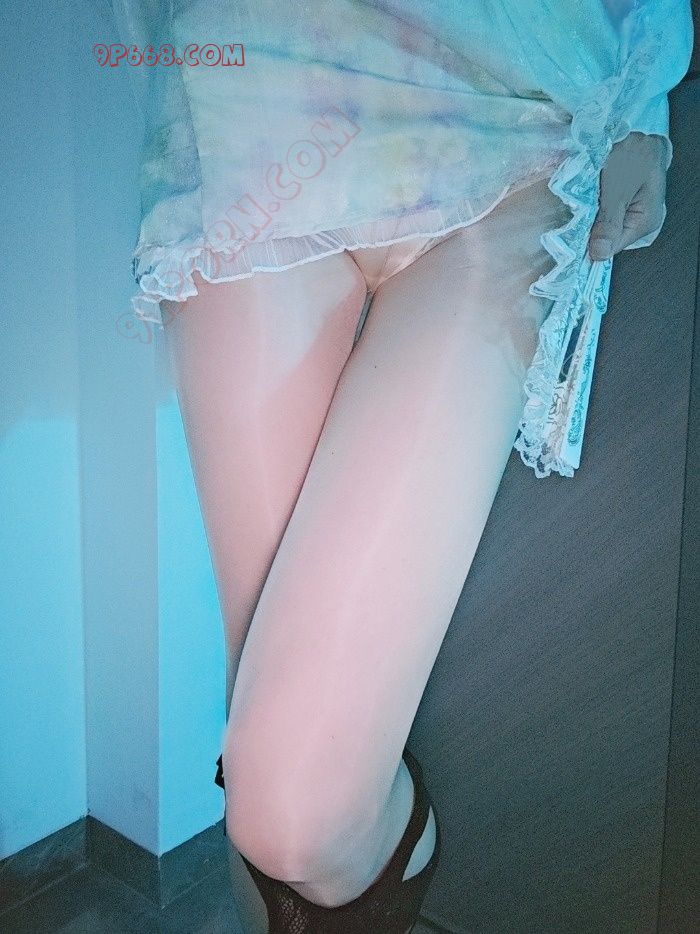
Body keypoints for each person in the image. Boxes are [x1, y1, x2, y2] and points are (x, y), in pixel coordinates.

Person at [108, 1, 693, 931]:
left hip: (514, 101)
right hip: (255, 95)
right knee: (260, 744)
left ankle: (393, 856)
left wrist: (644, 97)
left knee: (293, 806)